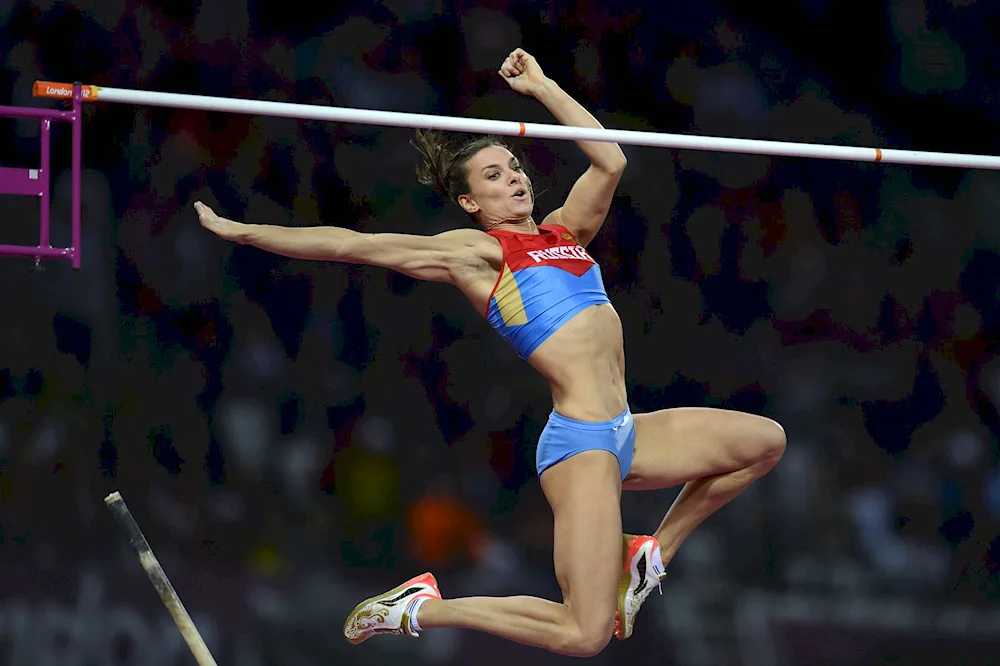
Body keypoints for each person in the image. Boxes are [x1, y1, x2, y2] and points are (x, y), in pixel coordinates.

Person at [195, 48, 786, 657]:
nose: (515, 178)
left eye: (514, 166)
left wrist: (543, 86)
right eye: (495, 177)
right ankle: (422, 608)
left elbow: (609, 160)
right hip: (582, 445)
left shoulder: (564, 232)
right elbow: (355, 245)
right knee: (584, 635)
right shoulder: (480, 254)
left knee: (763, 444)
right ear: (472, 204)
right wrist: (244, 232)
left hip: (624, 431)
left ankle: (649, 554)